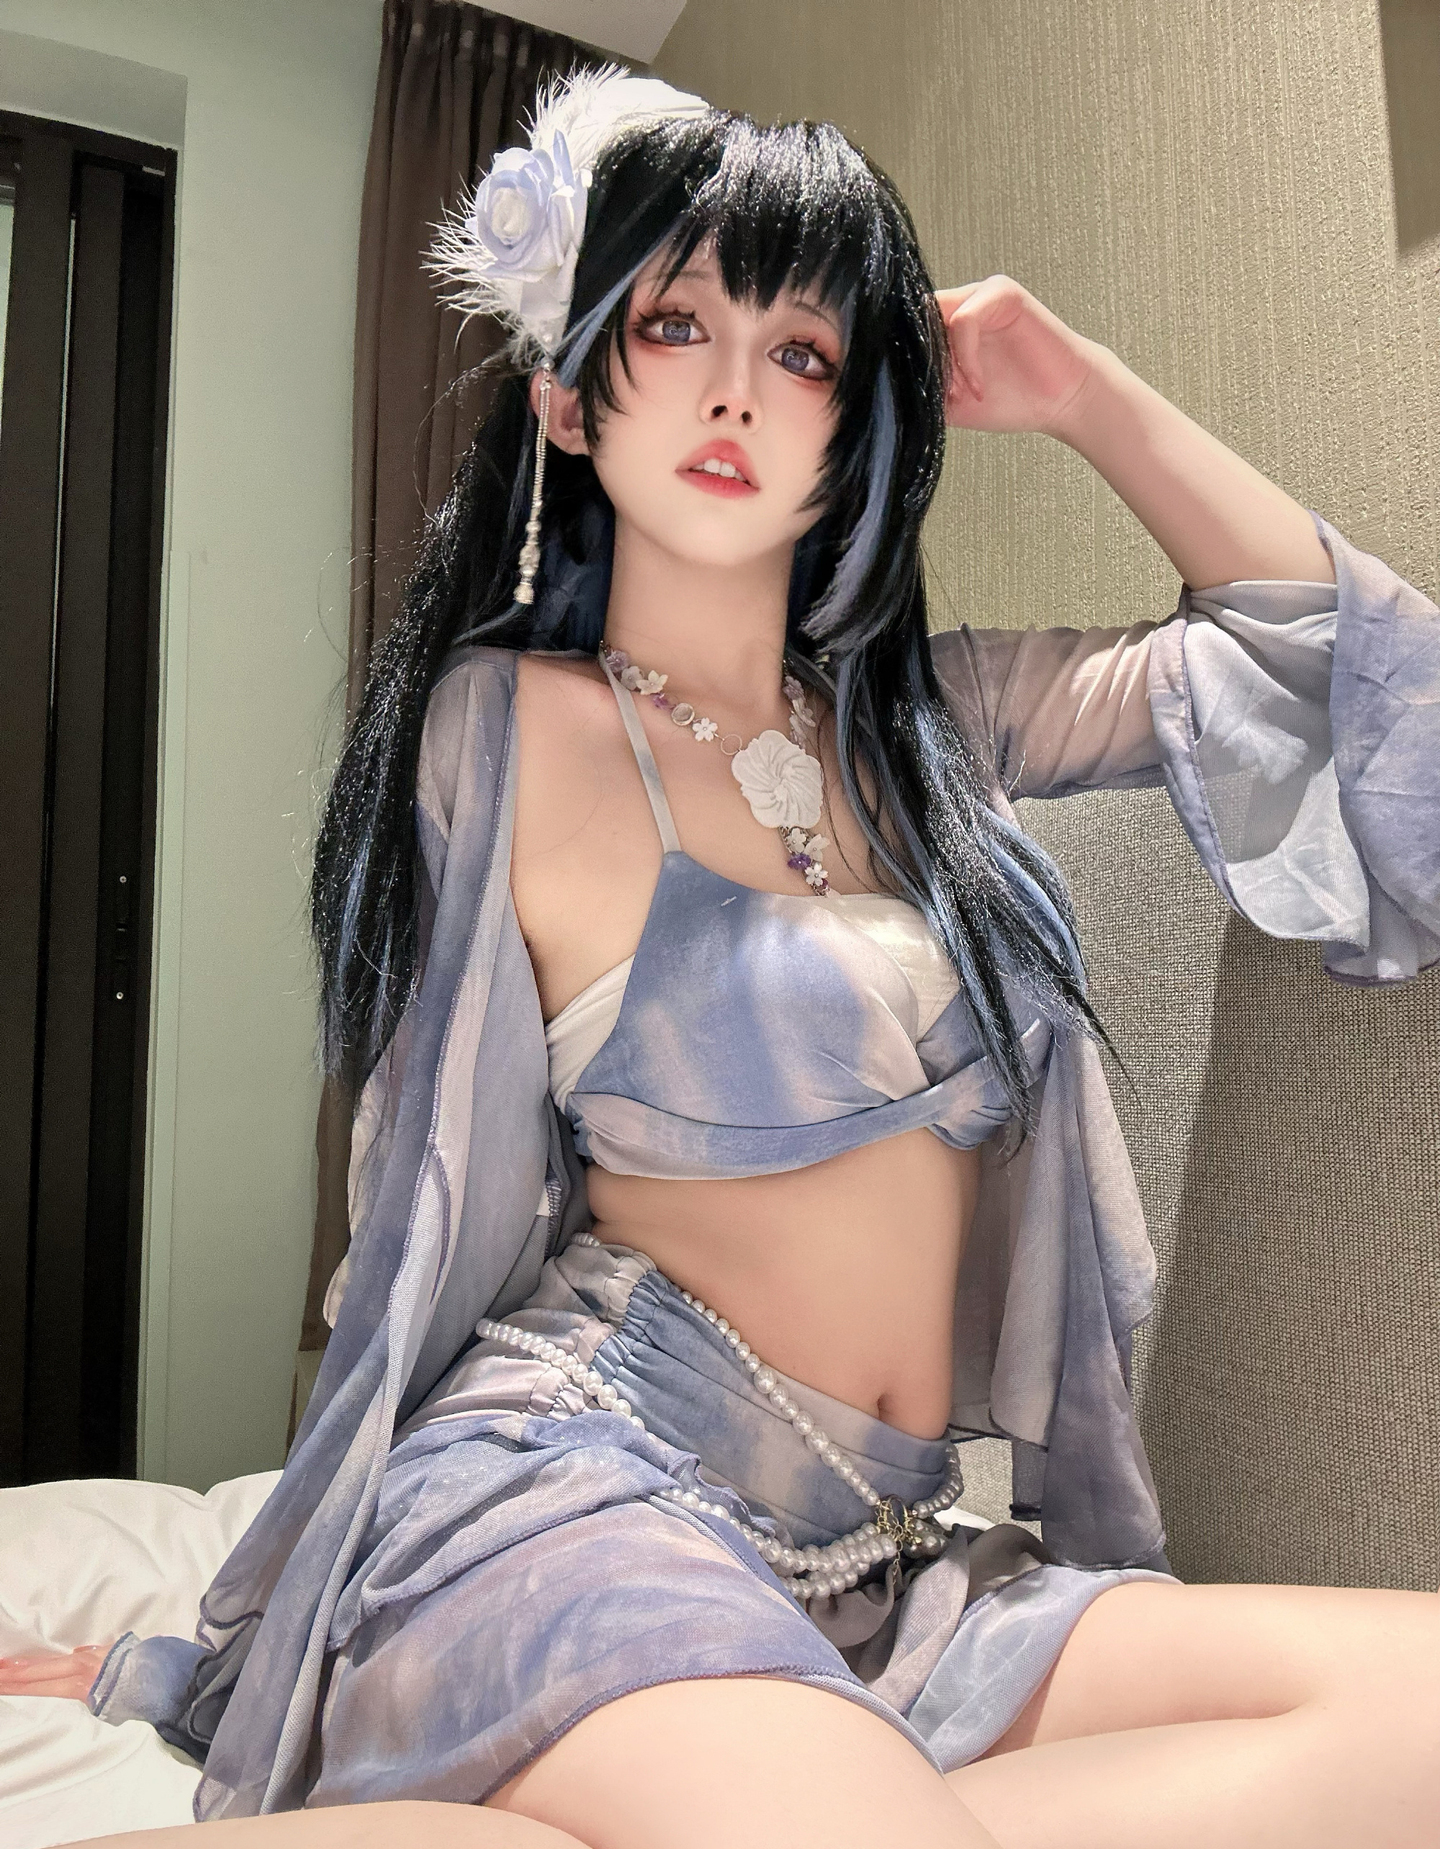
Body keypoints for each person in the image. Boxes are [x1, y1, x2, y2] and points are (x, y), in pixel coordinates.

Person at [4, 66, 1437, 1849]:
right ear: (568, 397)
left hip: (893, 1555)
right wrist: (258, 1623)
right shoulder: (506, 723)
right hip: (587, 1490)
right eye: (676, 325)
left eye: (805, 351)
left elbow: (1335, 672)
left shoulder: (941, 729)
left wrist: (1081, 394)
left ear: (856, 427)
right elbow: (427, 1201)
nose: (739, 388)